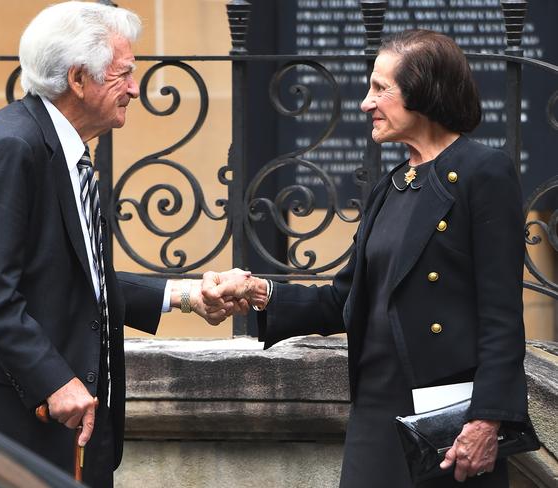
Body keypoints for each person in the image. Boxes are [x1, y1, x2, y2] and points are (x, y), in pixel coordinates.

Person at [0, 2, 240, 486]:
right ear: (77, 79)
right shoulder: (12, 148)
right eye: (124, 74)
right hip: (1, 435)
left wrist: (186, 295)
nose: (135, 88)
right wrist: (53, 378)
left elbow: (76, 277)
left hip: (61, 433)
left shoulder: (56, 146)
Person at [203, 30, 530, 487]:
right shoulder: (390, 185)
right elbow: (344, 299)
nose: (365, 102)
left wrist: (487, 421)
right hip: (375, 413)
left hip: (446, 423)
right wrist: (259, 291)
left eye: (381, 89)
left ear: (424, 92)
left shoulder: (483, 173)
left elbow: (501, 315)